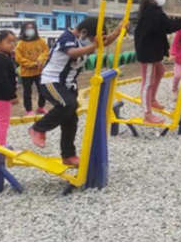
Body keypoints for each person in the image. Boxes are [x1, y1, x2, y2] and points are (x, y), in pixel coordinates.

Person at [29, 18, 122, 167]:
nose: (94, 43)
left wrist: (118, 30)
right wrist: (94, 46)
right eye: (92, 39)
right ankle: (38, 128)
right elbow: (73, 53)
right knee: (67, 105)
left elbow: (104, 42)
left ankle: (68, 155)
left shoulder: (87, 41)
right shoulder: (67, 37)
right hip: (51, 81)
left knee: (71, 118)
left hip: (68, 84)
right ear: (83, 33)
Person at [134, 0, 181, 123]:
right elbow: (168, 26)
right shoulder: (151, 12)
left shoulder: (154, 9)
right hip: (148, 52)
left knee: (160, 72)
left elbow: (166, 23)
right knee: (148, 82)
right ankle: (147, 114)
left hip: (153, 49)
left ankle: (151, 99)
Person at [14, 22, 49, 116]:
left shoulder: (41, 41)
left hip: (40, 71)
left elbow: (46, 51)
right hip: (26, 73)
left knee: (43, 90)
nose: (30, 30)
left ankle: (41, 107)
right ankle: (28, 110)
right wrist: (31, 64)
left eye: (32, 28)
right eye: (28, 28)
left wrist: (41, 59)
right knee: (27, 92)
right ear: (23, 30)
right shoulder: (21, 44)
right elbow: (19, 58)